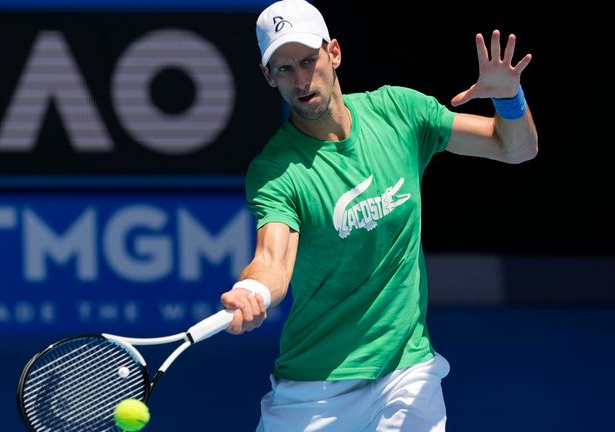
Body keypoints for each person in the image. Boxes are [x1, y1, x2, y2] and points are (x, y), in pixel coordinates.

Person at [217, 0, 538, 431]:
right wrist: (253, 289)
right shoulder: (276, 171)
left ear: (334, 53)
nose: (300, 80)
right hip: (314, 386)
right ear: (267, 76)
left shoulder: (399, 113)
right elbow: (274, 262)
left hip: (408, 371)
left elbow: (515, 148)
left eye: (308, 61)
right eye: (284, 69)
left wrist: (508, 98)